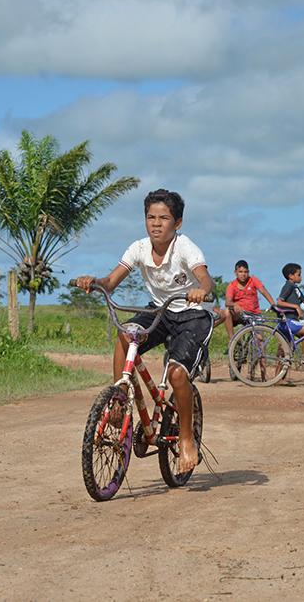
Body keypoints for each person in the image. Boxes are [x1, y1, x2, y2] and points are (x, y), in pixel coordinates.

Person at [73, 189, 214, 475]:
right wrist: (94, 281)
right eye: (151, 217)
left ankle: (187, 438)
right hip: (160, 311)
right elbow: (110, 281)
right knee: (126, 336)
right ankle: (118, 401)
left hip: (191, 316)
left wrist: (202, 291)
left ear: (178, 223)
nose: (156, 223)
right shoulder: (138, 248)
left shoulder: (185, 247)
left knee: (177, 374)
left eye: (164, 218)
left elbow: (205, 278)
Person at [217, 259, 276, 343]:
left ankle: (262, 356)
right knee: (226, 312)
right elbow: (227, 302)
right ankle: (233, 340)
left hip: (254, 313)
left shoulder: (253, 280)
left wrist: (273, 304)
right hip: (240, 314)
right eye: (240, 272)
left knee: (260, 339)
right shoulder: (232, 285)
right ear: (235, 272)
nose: (243, 274)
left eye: (245, 272)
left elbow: (264, 291)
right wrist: (234, 305)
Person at [275, 263, 304, 368]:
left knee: (286, 350)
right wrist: (296, 307)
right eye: (299, 274)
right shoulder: (288, 285)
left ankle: (278, 377)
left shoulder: (295, 288)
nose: (301, 277)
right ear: (291, 276)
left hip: (290, 322)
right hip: (288, 321)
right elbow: (279, 302)